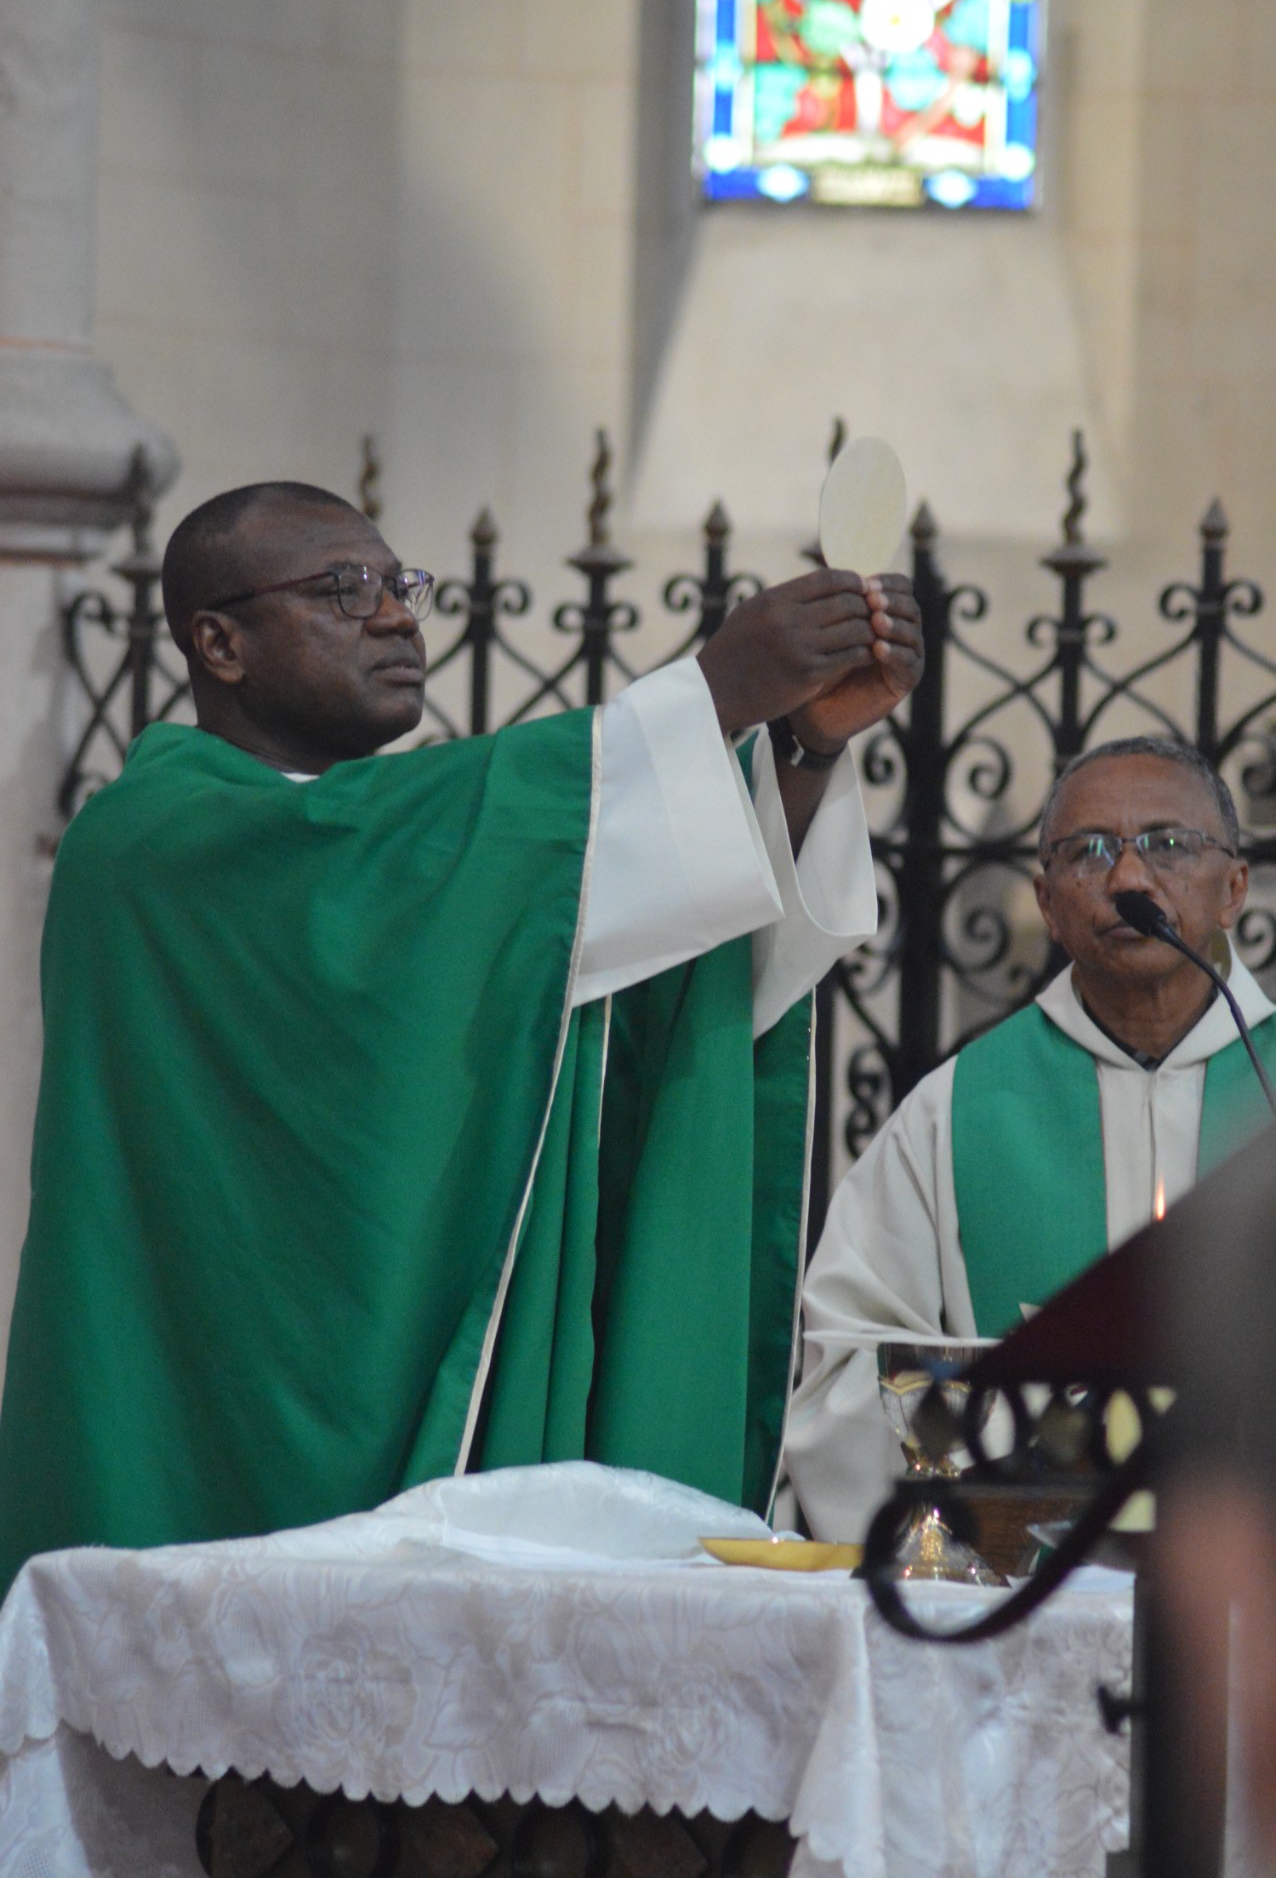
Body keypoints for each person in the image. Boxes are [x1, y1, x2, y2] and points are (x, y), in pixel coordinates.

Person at [0, 479, 923, 1593]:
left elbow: (634, 976)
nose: (396, 616)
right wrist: (712, 694)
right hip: (201, 1443)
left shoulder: (414, 850)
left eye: (401, 585)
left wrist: (801, 750)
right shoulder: (153, 835)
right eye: (344, 589)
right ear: (218, 642)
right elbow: (349, 860)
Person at [785, 735, 1276, 1540]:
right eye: (1088, 852)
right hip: (1015, 1608)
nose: (1127, 879)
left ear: (1233, 890)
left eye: (1166, 845)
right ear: (1047, 904)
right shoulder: (955, 1112)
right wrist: (1045, 1429)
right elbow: (843, 1374)